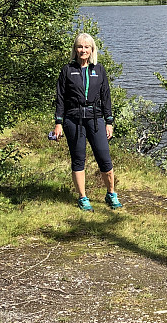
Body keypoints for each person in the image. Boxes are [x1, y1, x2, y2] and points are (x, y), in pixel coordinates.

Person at [51, 32, 122, 211]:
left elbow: (106, 97)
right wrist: (58, 122)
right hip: (73, 120)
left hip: (96, 119)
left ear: (92, 50)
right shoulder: (67, 70)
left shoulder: (98, 69)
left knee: (104, 158)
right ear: (75, 49)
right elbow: (60, 98)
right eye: (80, 46)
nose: (83, 50)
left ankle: (111, 194)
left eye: (86, 47)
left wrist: (109, 121)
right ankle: (83, 197)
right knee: (78, 159)